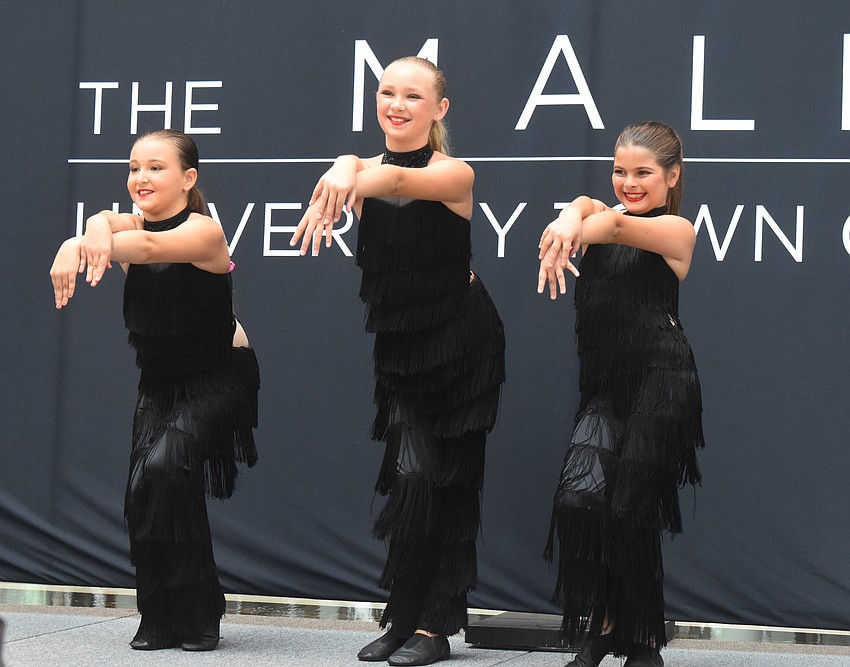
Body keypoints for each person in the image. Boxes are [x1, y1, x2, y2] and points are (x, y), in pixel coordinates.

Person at [291, 56, 505, 666]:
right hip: (402, 351)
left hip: (465, 346)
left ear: (439, 110)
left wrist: (350, 172)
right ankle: (402, 615)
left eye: (413, 96)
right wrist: (344, 165)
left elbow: (400, 182)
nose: (396, 105)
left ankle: (436, 628)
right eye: (387, 93)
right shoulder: (357, 171)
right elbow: (366, 171)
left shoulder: (454, 173)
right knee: (411, 479)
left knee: (450, 482)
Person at [49, 129, 259, 652]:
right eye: (134, 167)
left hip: (219, 376)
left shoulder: (205, 232)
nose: (141, 177)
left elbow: (143, 244)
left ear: (188, 178)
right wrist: (93, 225)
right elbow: (117, 224)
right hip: (160, 383)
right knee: (145, 489)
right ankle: (161, 616)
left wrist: (77, 241)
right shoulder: (126, 225)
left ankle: (200, 612)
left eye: (156, 167)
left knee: (168, 468)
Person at [537, 121, 704, 667]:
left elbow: (613, 225)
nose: (628, 183)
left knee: (632, 509)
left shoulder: (676, 230)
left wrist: (577, 218)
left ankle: (643, 639)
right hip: (605, 389)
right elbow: (590, 207)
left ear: (672, 176)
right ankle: (606, 623)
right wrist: (569, 212)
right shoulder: (590, 217)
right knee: (579, 500)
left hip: (662, 380)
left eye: (643, 173)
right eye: (619, 171)